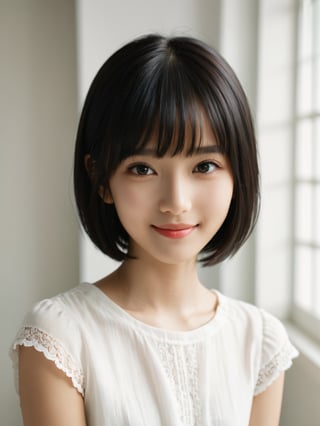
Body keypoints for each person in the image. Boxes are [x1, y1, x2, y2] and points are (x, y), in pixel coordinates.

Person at [10, 34, 298, 426]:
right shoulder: (60, 338)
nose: (176, 202)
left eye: (204, 166)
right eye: (142, 169)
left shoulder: (259, 341)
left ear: (239, 171)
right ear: (100, 178)